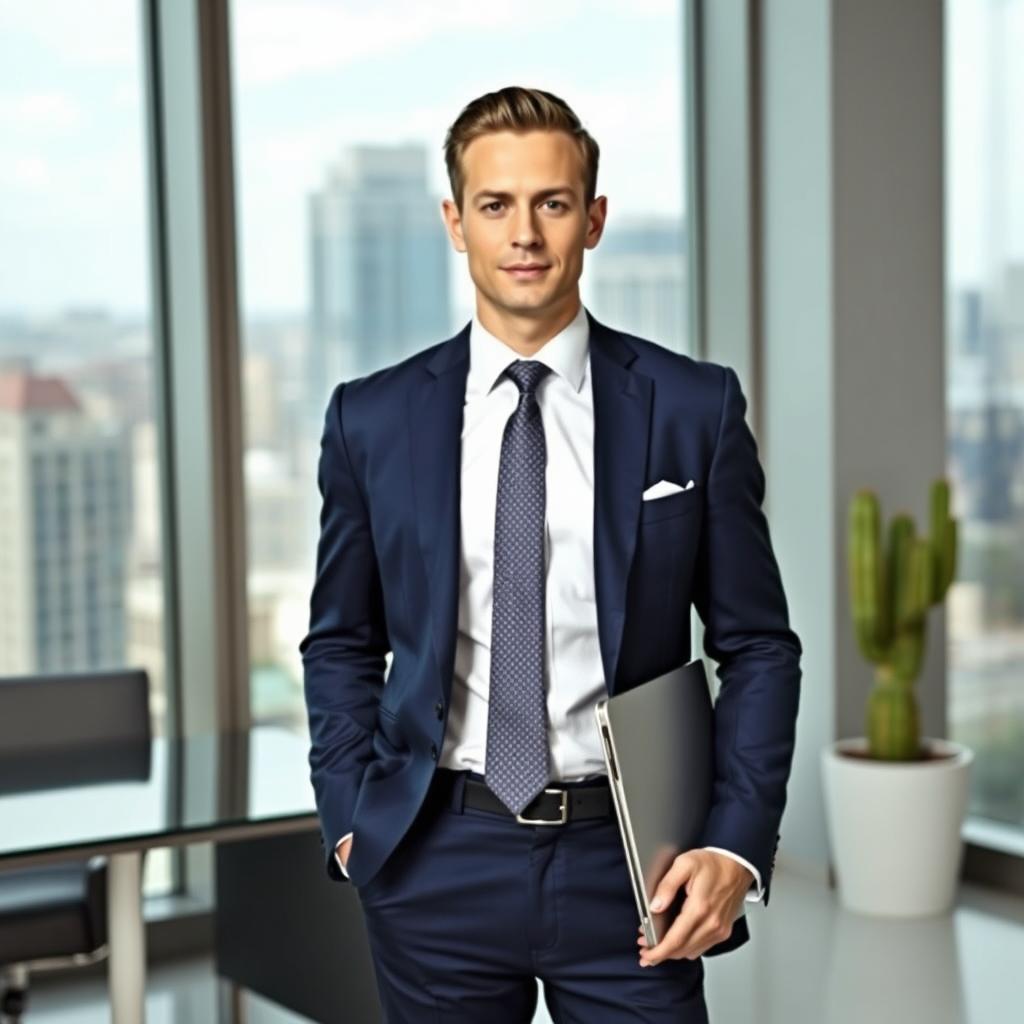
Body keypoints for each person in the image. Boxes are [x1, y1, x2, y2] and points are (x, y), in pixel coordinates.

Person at [300, 85, 802, 1023]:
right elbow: (339, 640)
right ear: (456, 222)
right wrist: (348, 816)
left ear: (594, 218)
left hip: (633, 860)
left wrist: (735, 843)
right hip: (432, 858)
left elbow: (761, 645)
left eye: (552, 202)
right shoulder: (369, 419)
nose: (523, 232)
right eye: (495, 205)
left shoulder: (693, 408)